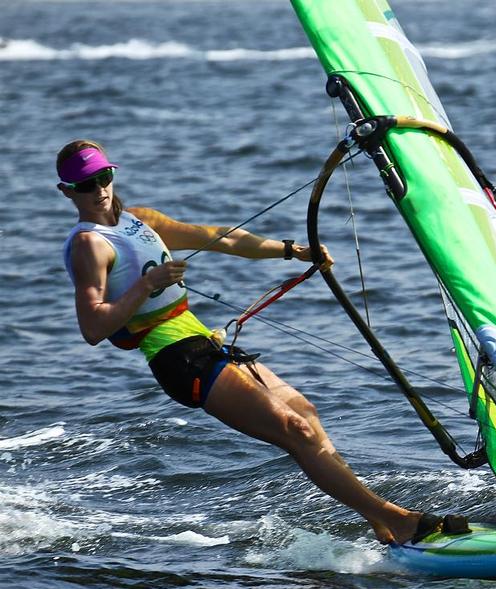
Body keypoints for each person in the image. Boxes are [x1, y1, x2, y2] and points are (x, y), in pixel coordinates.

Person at [57, 139, 460, 545]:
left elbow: (222, 237)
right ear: (68, 192)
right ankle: (396, 519)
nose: (100, 190)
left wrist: (294, 251)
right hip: (176, 358)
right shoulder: (88, 244)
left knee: (305, 411)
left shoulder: (139, 221)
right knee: (294, 429)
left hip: (200, 340)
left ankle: (382, 521)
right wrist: (146, 284)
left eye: (104, 177)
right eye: (87, 185)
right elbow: (93, 327)